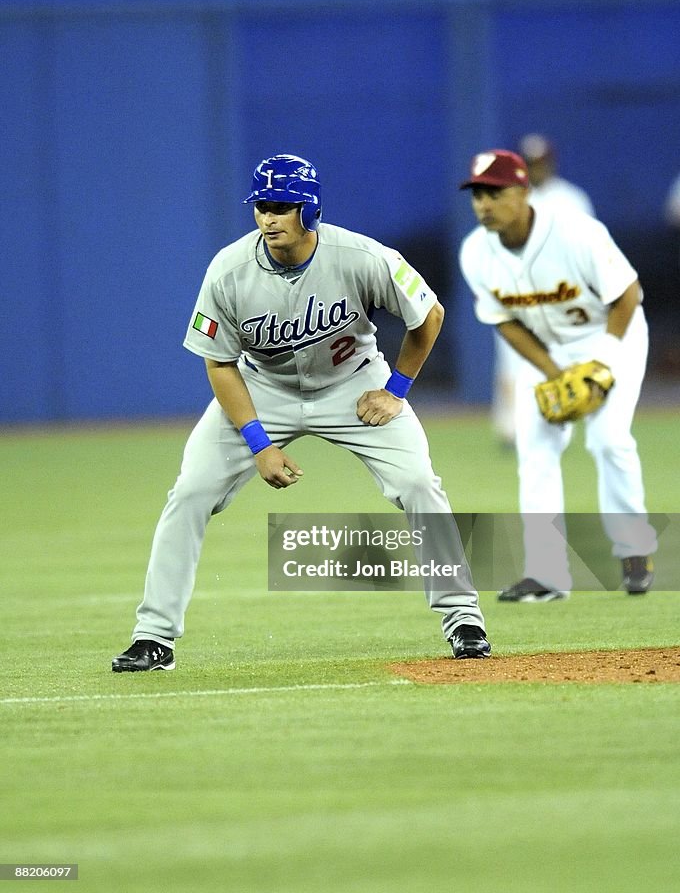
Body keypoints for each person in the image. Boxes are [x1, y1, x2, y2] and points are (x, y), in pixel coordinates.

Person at [112, 153, 490, 670]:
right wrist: (259, 443)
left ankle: (463, 617)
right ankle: (153, 636)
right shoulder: (229, 270)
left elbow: (429, 315)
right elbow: (220, 364)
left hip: (353, 384)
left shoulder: (361, 255)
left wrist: (396, 389)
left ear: (308, 210)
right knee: (191, 493)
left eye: (281, 207)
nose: (268, 218)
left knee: (419, 483)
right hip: (262, 389)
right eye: (261, 207)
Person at [458, 148, 657, 601]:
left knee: (608, 440)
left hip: (612, 336)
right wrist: (552, 373)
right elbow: (503, 320)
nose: (483, 204)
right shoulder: (475, 251)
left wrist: (602, 361)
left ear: (524, 191)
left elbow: (628, 295)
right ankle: (546, 575)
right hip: (547, 353)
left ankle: (634, 548)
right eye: (477, 195)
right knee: (535, 451)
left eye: (494, 192)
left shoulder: (574, 231)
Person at [491, 135, 597, 447]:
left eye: (539, 162)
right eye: (529, 163)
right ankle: (510, 429)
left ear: (550, 162)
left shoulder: (572, 199)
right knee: (511, 362)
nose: (536, 168)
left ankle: (557, 421)